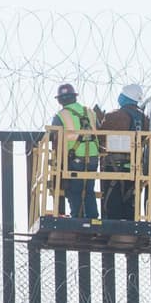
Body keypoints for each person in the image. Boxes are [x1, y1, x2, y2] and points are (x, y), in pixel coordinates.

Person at [99, 83, 151, 220]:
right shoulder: (145, 120)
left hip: (114, 166)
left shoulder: (114, 116)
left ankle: (114, 230)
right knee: (130, 202)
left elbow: (99, 137)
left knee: (112, 203)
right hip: (135, 167)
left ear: (124, 97)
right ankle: (129, 228)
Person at [51, 82, 100, 219]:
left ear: (60, 100)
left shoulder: (60, 116)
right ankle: (92, 217)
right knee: (89, 189)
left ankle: (77, 217)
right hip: (93, 156)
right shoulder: (90, 112)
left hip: (75, 157)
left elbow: (51, 135)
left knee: (74, 190)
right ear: (74, 97)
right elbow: (99, 129)